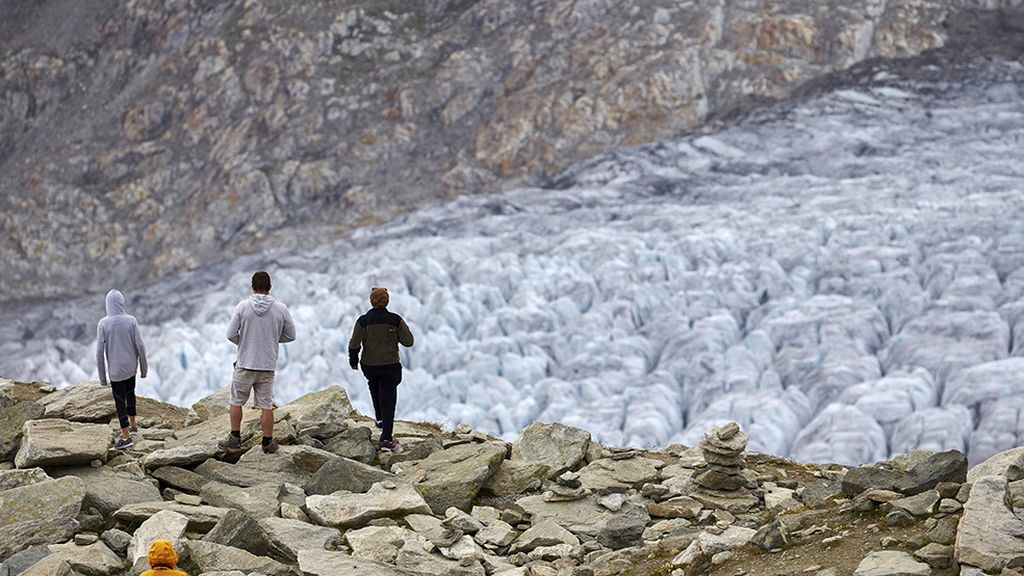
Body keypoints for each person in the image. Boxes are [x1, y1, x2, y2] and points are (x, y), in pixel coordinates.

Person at [218, 271, 296, 455]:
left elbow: (230, 334)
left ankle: (234, 441)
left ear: (252, 287)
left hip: (245, 363)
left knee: (236, 401)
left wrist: (245, 342)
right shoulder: (281, 308)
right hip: (267, 365)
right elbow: (291, 335)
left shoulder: (242, 306)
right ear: (270, 287)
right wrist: (271, 339)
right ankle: (267, 442)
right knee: (266, 405)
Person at [348, 287, 414, 451]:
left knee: (374, 385)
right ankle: (386, 439)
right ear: (387, 301)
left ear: (371, 301)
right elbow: (408, 342)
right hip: (390, 367)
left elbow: (354, 343)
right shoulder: (395, 320)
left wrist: (353, 361)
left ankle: (380, 418)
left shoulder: (363, 321)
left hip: (369, 366)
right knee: (388, 401)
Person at [96, 289, 148, 450]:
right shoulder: (131, 320)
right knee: (130, 393)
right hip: (131, 367)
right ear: (121, 303)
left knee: (120, 401)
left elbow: (99, 352)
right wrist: (144, 369)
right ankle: (133, 425)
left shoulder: (103, 324)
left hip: (116, 370)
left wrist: (102, 378)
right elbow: (140, 345)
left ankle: (126, 436)